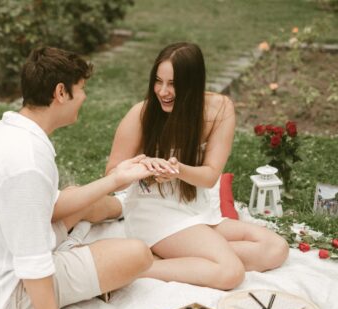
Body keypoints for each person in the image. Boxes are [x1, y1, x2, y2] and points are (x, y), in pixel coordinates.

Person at [0, 47, 153, 309]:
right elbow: (31, 256)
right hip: (0, 292)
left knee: (78, 197)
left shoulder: (3, 132)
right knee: (137, 254)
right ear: (61, 92)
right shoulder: (26, 161)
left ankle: (125, 206)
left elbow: (48, 207)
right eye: (81, 89)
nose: (84, 97)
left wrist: (117, 179)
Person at [106, 42, 289, 290]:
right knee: (230, 272)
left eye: (172, 84)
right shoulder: (141, 114)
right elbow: (112, 175)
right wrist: (143, 166)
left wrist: (177, 169)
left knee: (275, 249)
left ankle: (183, 258)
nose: (163, 91)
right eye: (158, 81)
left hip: (197, 210)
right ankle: (129, 271)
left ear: (193, 84)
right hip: (155, 214)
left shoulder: (220, 109)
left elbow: (210, 177)